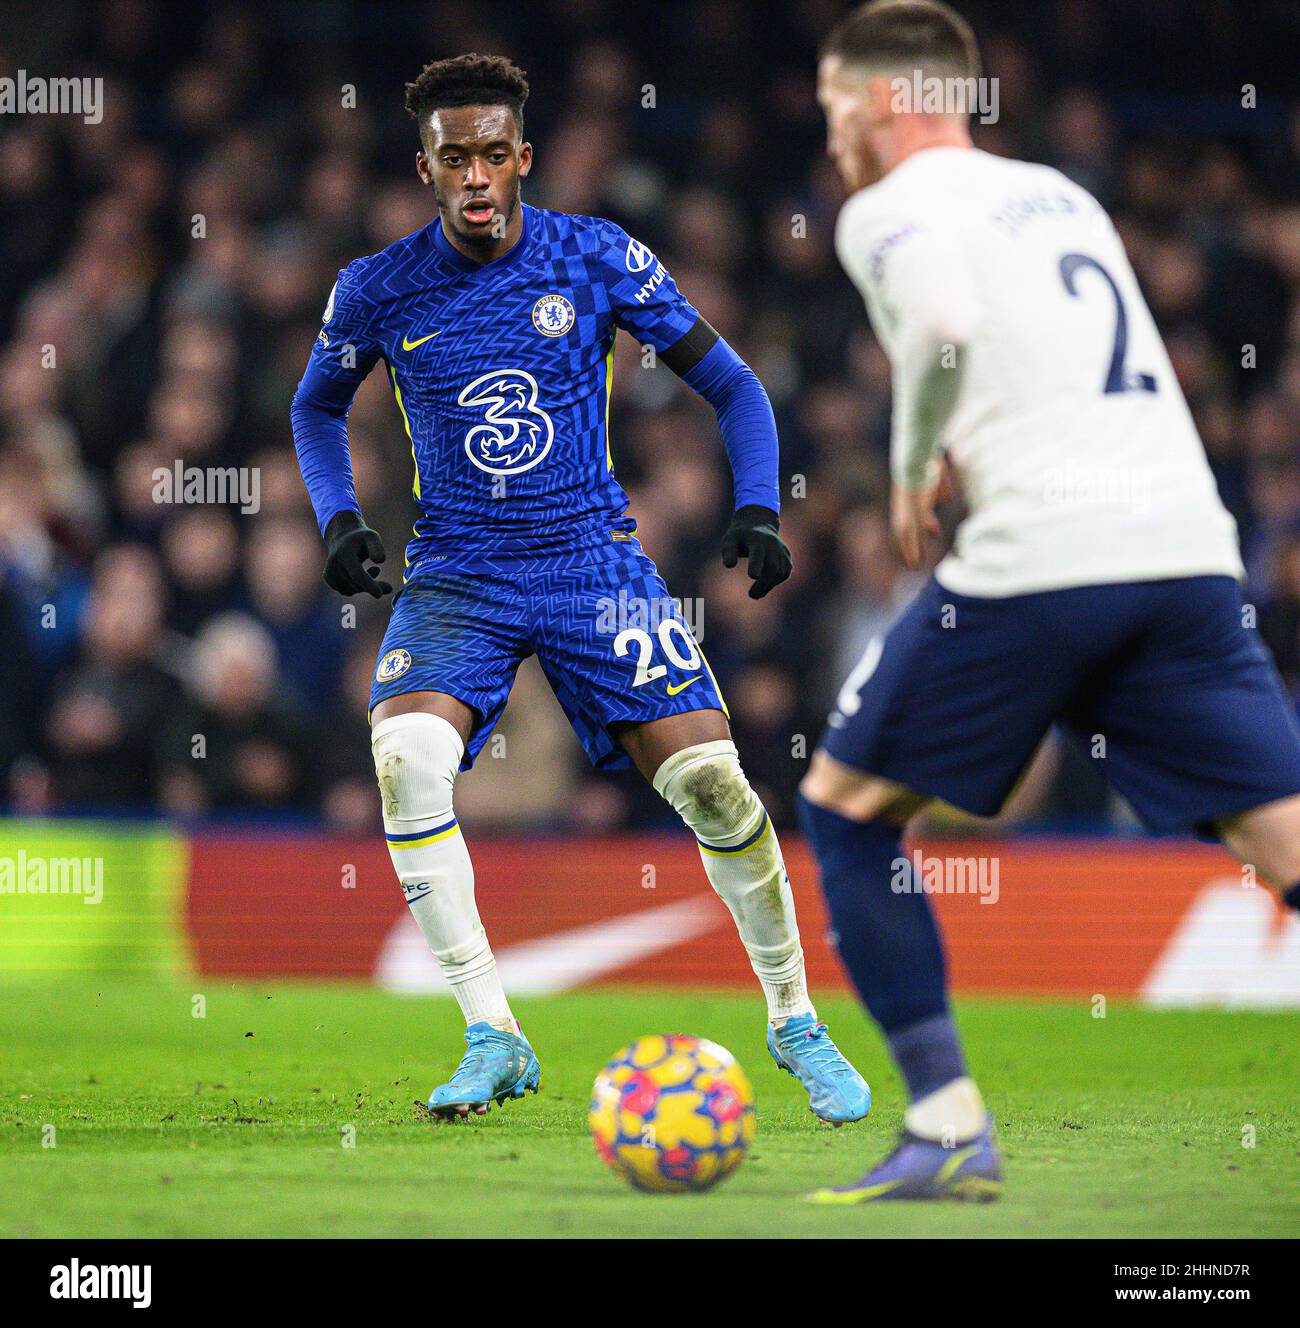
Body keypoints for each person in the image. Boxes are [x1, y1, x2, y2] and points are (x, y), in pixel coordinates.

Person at [291, 54, 870, 1122]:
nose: (472, 174)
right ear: (425, 168)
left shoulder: (594, 255)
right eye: (449, 155)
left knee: (713, 784)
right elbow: (314, 407)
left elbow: (732, 383)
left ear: (521, 158)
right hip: (459, 568)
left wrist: (755, 504)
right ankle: (491, 1031)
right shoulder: (374, 287)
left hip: (589, 563)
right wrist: (337, 519)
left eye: (490, 154)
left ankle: (794, 1019)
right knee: (405, 752)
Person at [802, 0, 1300, 1202]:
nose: (830, 141)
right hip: (1183, 550)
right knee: (1285, 842)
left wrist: (917, 457)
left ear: (885, 100)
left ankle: (947, 1120)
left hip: (1041, 559)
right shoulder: (1060, 195)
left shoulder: (886, 208)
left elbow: (943, 325)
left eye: (832, 110)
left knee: (844, 810)